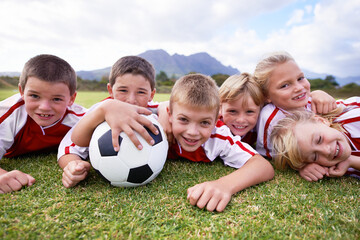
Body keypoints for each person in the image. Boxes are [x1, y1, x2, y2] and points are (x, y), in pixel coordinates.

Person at [166, 73, 274, 212]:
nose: (192, 131)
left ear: (217, 119)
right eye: (184, 120)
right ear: (170, 115)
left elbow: (263, 166)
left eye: (204, 122)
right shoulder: (155, 125)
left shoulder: (219, 137)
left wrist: (224, 185)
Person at [58, 56, 159, 188]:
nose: (131, 100)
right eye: (123, 90)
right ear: (111, 90)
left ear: (151, 94)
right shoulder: (98, 112)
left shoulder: (153, 111)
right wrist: (74, 164)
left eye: (141, 92)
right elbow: (69, 146)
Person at [0, 54, 87, 193]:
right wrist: (2, 175)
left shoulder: (81, 118)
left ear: (71, 99)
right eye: (34, 96)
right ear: (22, 91)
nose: (45, 107)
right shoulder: (8, 114)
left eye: (57, 99)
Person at [253, 51, 337, 161]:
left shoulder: (313, 101)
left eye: (300, 78)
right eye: (285, 85)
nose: (299, 88)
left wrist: (319, 93)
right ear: (266, 95)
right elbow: (268, 153)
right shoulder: (270, 117)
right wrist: (303, 164)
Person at [270, 96, 360, 180]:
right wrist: (304, 167)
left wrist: (352, 161)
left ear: (321, 121)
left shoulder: (355, 120)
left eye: (319, 139)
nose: (327, 151)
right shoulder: (333, 165)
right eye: (315, 156)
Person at [218, 72, 264, 146]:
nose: (240, 120)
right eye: (232, 111)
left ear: (260, 110)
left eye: (249, 112)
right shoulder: (213, 128)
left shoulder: (261, 127)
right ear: (220, 108)